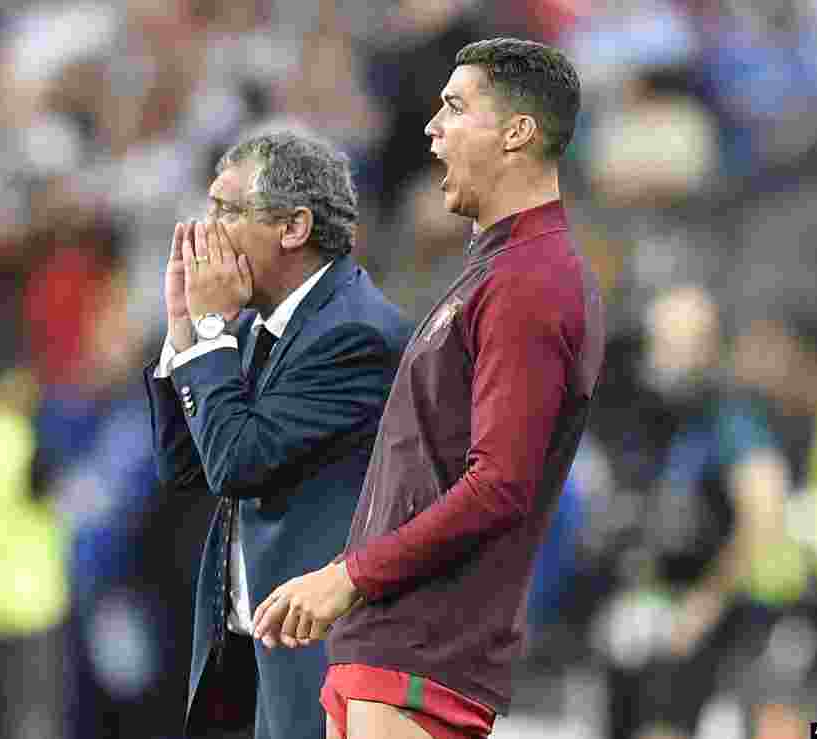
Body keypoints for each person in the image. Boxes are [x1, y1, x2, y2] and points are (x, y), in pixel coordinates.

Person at [252, 38, 605, 739]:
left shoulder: (535, 279)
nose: (430, 128)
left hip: (421, 662)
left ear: (517, 132)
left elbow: (500, 484)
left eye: (453, 107)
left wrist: (350, 574)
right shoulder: (494, 270)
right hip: (386, 655)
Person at [145, 131, 410, 739]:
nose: (204, 233)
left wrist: (212, 329)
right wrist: (186, 331)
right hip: (247, 658)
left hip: (315, 666)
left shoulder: (353, 334)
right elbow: (185, 468)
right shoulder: (260, 326)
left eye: (228, 211)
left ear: (293, 227)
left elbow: (236, 462)